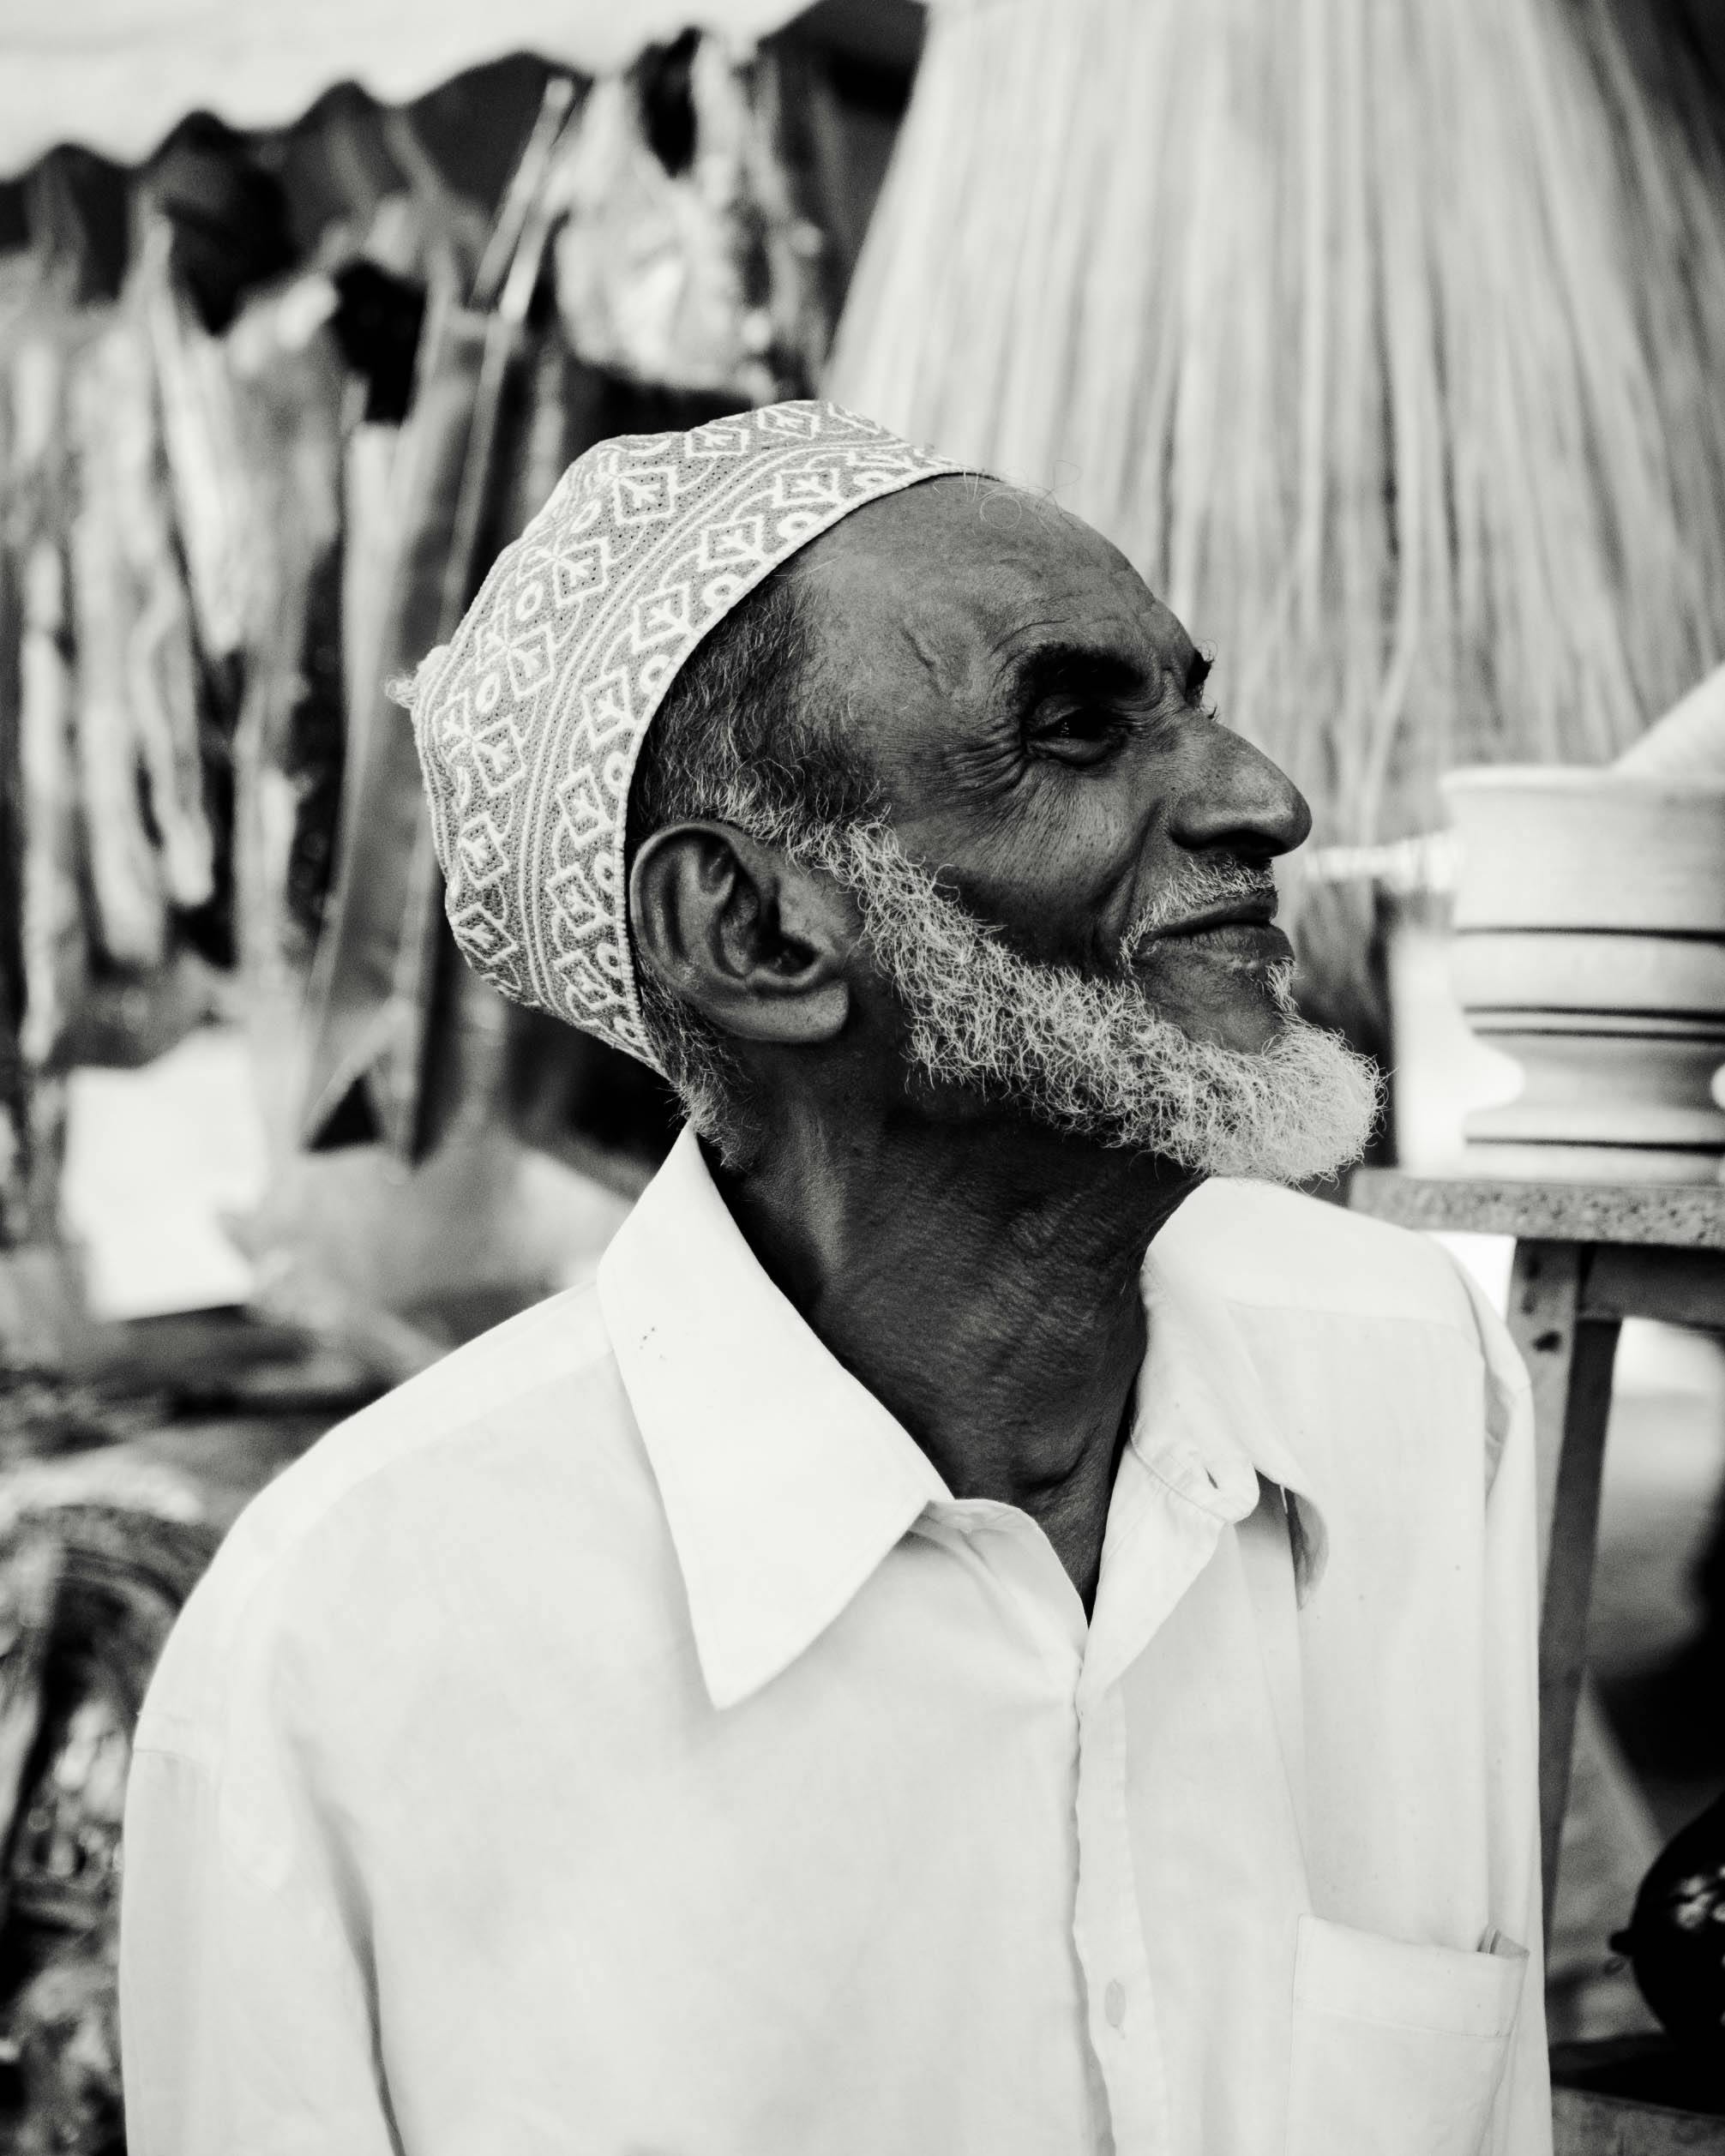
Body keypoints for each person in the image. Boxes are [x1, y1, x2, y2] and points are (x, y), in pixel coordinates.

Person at [119, 402, 1550, 2156]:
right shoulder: (341, 1660)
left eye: (1188, 701)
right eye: (1072, 727)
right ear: (755, 933)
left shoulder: (1402, 1378)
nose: (1265, 798)